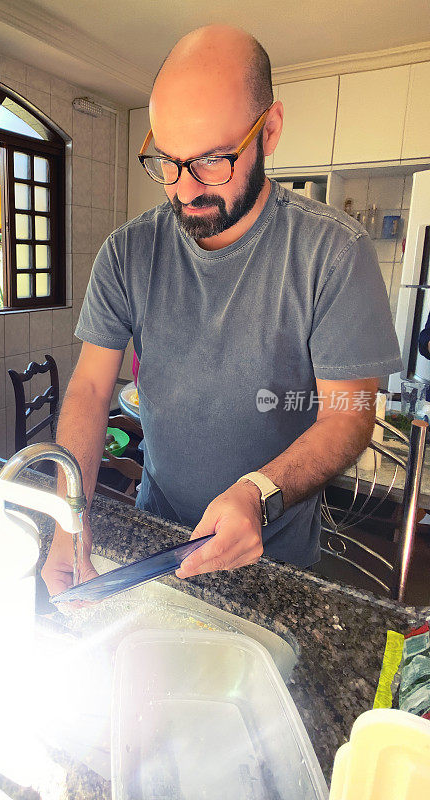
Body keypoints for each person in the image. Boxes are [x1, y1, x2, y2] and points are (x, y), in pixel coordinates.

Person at [42, 24, 402, 596]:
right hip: (154, 537)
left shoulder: (332, 252)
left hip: (275, 562)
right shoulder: (128, 252)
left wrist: (258, 492)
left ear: (271, 129)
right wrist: (70, 513)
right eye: (168, 160)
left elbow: (350, 413)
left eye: (212, 159)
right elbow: (89, 389)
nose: (186, 189)